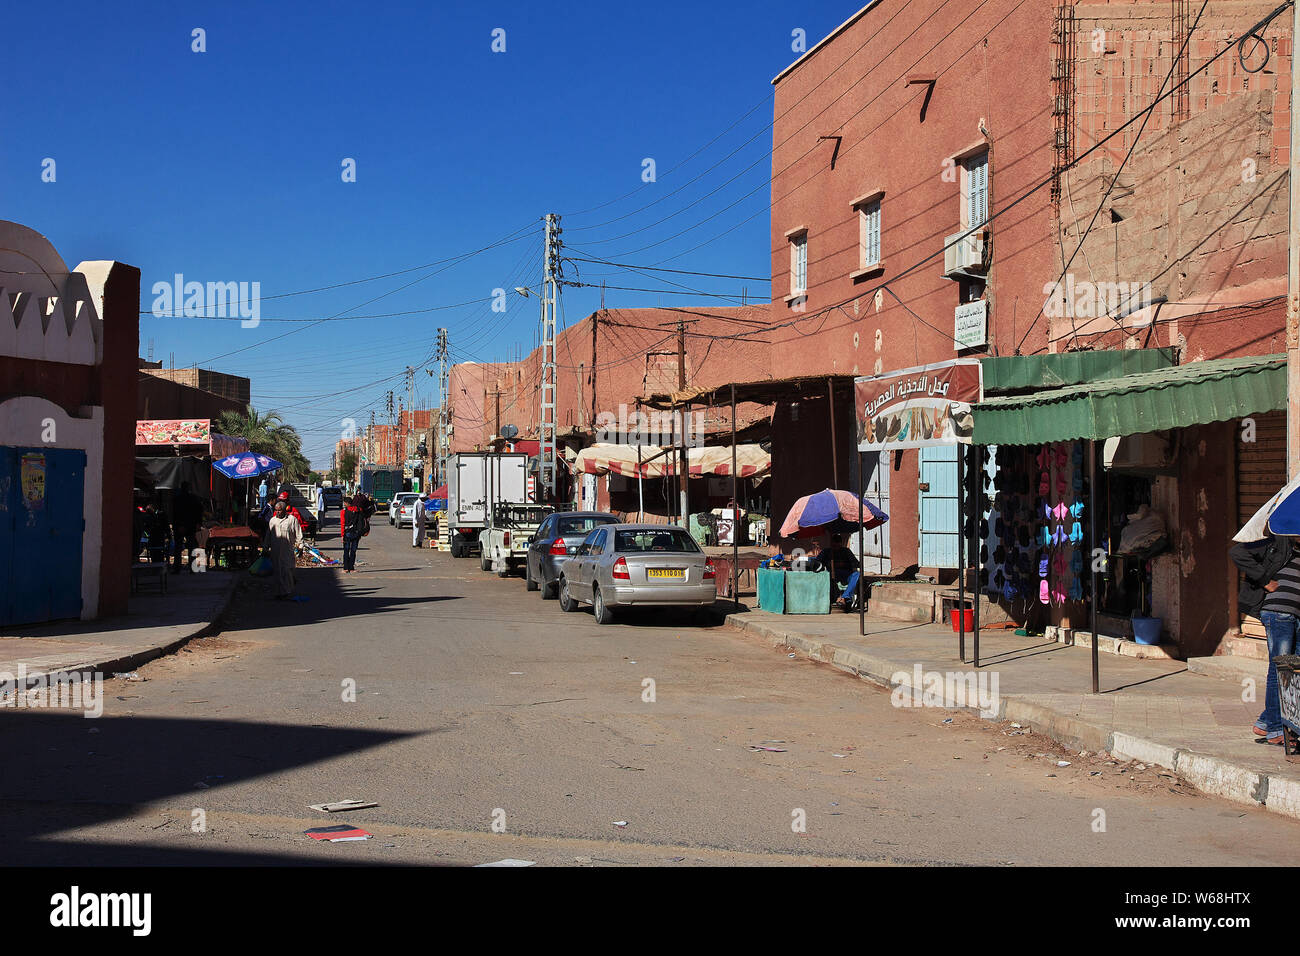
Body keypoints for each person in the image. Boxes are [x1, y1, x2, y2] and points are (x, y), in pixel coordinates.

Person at [1230, 533, 1298, 745]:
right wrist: (1266, 581)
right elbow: (1237, 552)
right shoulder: (1278, 541)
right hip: (1277, 612)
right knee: (1280, 669)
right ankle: (1276, 729)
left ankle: (1267, 721)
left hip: (1297, 615)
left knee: (1294, 671)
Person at [264, 498, 303, 599]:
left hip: (287, 550)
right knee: (277, 572)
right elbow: (268, 536)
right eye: (276, 510)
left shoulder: (292, 520)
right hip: (275, 551)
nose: (277, 512)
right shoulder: (272, 521)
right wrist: (265, 548)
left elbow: (298, 534)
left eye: (279, 510)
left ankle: (287, 591)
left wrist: (300, 546)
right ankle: (279, 592)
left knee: (287, 571)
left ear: (284, 510)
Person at [169, 482, 204, 573]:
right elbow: (199, 511)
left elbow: (175, 513)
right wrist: (198, 523)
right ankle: (192, 568)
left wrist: (178, 525)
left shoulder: (177, 499)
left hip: (180, 525)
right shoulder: (194, 498)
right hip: (190, 525)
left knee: (178, 547)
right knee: (191, 546)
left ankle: (177, 568)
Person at [340, 496, 364, 573]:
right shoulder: (358, 510)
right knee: (353, 551)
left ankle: (346, 568)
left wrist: (342, 535)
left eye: (344, 503)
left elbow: (342, 524)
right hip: (356, 533)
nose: (344, 504)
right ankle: (351, 567)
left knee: (346, 550)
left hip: (347, 533)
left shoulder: (343, 511)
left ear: (346, 503)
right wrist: (359, 533)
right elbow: (361, 522)